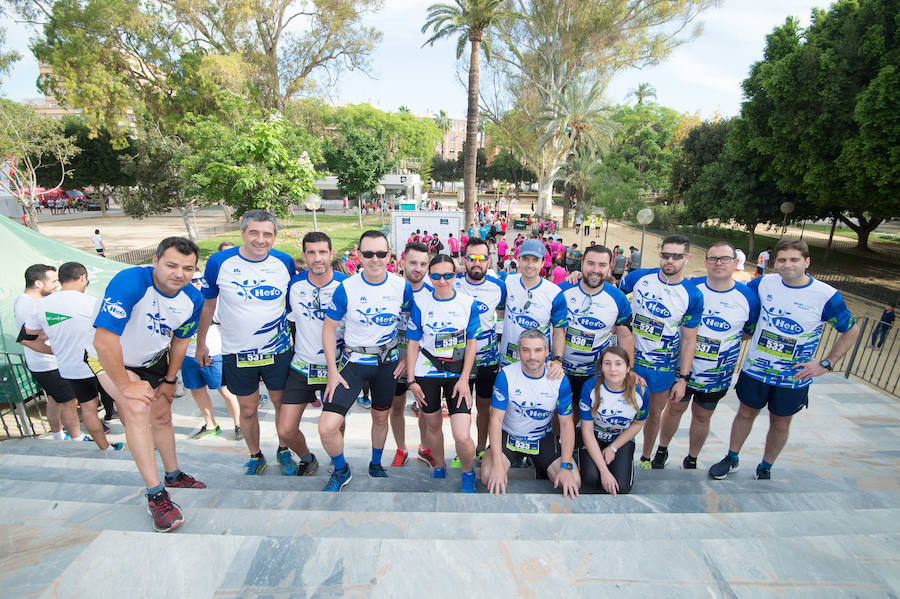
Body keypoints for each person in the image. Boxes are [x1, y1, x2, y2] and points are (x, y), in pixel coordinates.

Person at [709, 239, 858, 481]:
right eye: (782, 260)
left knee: (780, 423)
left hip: (793, 377)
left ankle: (766, 465)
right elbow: (734, 296)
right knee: (745, 413)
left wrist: (825, 364)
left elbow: (850, 330)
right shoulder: (763, 283)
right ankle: (732, 457)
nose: (787, 265)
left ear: (807, 262)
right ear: (774, 262)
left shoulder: (826, 295)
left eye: (794, 260)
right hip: (756, 370)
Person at [90, 239, 206, 533]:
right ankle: (156, 496)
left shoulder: (193, 299)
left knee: (163, 415)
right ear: (155, 260)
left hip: (152, 359)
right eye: (171, 265)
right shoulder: (130, 281)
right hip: (109, 356)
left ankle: (173, 473)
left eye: (188, 268)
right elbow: (104, 341)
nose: (179, 273)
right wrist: (124, 386)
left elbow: (180, 341)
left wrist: (170, 380)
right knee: (136, 411)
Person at [196, 210, 298, 476]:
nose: (260, 240)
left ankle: (283, 450)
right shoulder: (219, 262)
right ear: (242, 233)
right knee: (249, 408)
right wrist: (201, 343)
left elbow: (291, 306)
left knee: (281, 404)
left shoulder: (284, 262)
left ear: (274, 237)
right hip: (237, 352)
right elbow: (208, 305)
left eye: (267, 234)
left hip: (277, 350)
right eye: (253, 232)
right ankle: (256, 455)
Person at [321, 230, 413, 492]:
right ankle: (341, 469)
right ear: (359, 255)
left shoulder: (400, 286)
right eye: (369, 253)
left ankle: (375, 463)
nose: (375, 259)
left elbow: (410, 323)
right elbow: (329, 329)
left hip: (387, 364)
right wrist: (331, 370)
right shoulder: (347, 287)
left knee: (380, 418)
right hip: (353, 363)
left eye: (381, 254)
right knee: (327, 427)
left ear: (390, 256)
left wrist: (406, 356)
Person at [654, 242, 760, 469]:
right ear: (705, 262)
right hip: (681, 368)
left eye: (724, 259)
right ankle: (661, 450)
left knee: (702, 416)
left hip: (716, 375)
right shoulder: (691, 287)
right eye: (713, 258)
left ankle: (692, 457)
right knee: (674, 410)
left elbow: (747, 332)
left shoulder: (748, 297)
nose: (718, 263)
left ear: (735, 262)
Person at [619, 234, 703, 470]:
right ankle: (617, 452)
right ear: (660, 255)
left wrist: (683, 379)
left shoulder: (692, 294)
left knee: (653, 415)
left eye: (677, 256)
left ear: (686, 258)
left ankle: (645, 457)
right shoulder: (638, 277)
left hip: (662, 369)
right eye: (666, 255)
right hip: (627, 362)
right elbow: (611, 294)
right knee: (620, 409)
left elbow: (689, 340)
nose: (670, 260)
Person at [25, 262, 121, 452]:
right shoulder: (91, 302)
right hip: (100, 363)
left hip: (69, 367)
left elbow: (29, 335)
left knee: (88, 408)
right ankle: (141, 441)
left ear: (60, 281)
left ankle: (105, 448)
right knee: (122, 402)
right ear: (83, 278)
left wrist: (53, 348)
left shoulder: (41, 306)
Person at [406, 254, 480, 491]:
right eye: (436, 276)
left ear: (455, 275)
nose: (442, 281)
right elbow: (413, 343)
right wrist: (411, 381)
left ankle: (468, 472)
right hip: (426, 374)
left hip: (457, 375)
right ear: (429, 275)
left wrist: (465, 379)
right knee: (433, 426)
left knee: (462, 435)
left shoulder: (468, 303)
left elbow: (471, 343)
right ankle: (439, 464)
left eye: (447, 275)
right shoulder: (420, 303)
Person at [481, 329, 580, 497]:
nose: (532, 356)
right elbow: (495, 420)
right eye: (526, 350)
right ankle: (514, 460)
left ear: (547, 352)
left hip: (541, 438)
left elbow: (566, 424)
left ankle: (536, 463)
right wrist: (498, 465)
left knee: (573, 482)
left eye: (538, 350)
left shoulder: (559, 379)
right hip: (510, 436)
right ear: (518, 352)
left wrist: (566, 466)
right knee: (488, 476)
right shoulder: (506, 375)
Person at [281, 232, 348, 477]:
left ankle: (338, 460)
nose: (317, 258)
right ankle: (307, 457)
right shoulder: (294, 285)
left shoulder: (346, 284)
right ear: (304, 255)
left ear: (331, 254)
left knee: (335, 424)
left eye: (322, 252)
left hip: (338, 367)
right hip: (302, 365)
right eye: (311, 252)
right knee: (286, 430)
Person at [454, 237, 507, 466]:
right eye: (471, 258)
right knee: (460, 410)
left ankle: (479, 449)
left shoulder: (499, 286)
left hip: (488, 361)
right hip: (458, 360)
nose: (477, 263)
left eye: (481, 258)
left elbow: (505, 316)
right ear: (463, 260)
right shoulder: (452, 283)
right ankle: (461, 450)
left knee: (484, 408)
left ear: (489, 260)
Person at [558, 245, 634, 403]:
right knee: (558, 413)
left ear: (610, 267)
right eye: (590, 263)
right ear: (582, 264)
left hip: (595, 373)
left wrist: (629, 371)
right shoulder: (561, 291)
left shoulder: (618, 298)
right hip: (560, 369)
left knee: (582, 412)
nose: (596, 269)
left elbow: (625, 337)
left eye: (602, 265)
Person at [16, 264, 82, 440]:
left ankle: (59, 436)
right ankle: (77, 439)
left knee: (54, 399)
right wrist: (60, 352)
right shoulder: (27, 306)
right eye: (53, 282)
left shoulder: (32, 302)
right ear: (38, 283)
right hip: (47, 364)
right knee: (70, 401)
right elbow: (28, 339)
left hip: (45, 363)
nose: (57, 285)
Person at [578, 346, 648, 495]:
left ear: (628, 368)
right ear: (601, 367)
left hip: (620, 439)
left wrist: (613, 448)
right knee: (590, 479)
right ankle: (594, 463)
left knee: (621, 487)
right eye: (607, 363)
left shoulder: (640, 391)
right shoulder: (590, 387)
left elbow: (637, 424)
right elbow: (587, 430)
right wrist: (604, 472)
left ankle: (618, 463)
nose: (612, 369)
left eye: (618, 363)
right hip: (594, 436)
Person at [182, 274, 241, 440]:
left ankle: (239, 424)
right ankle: (210, 424)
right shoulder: (179, 301)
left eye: (199, 279)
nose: (197, 282)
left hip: (214, 352)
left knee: (226, 390)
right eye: (193, 280)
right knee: (197, 390)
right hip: (188, 354)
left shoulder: (213, 302)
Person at [390, 243, 434, 468]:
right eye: (413, 262)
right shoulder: (390, 288)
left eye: (423, 264)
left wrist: (411, 359)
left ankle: (425, 448)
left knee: (425, 410)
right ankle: (401, 448)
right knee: (395, 407)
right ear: (402, 262)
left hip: (421, 361)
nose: (418, 268)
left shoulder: (432, 293)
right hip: (394, 361)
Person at [498, 238, 567, 375]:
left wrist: (558, 360)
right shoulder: (508, 282)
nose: (529, 265)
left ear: (543, 262)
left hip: (538, 363)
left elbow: (559, 331)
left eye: (535, 260)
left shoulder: (554, 293)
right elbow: (500, 313)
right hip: (508, 360)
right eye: (525, 259)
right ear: (518, 259)